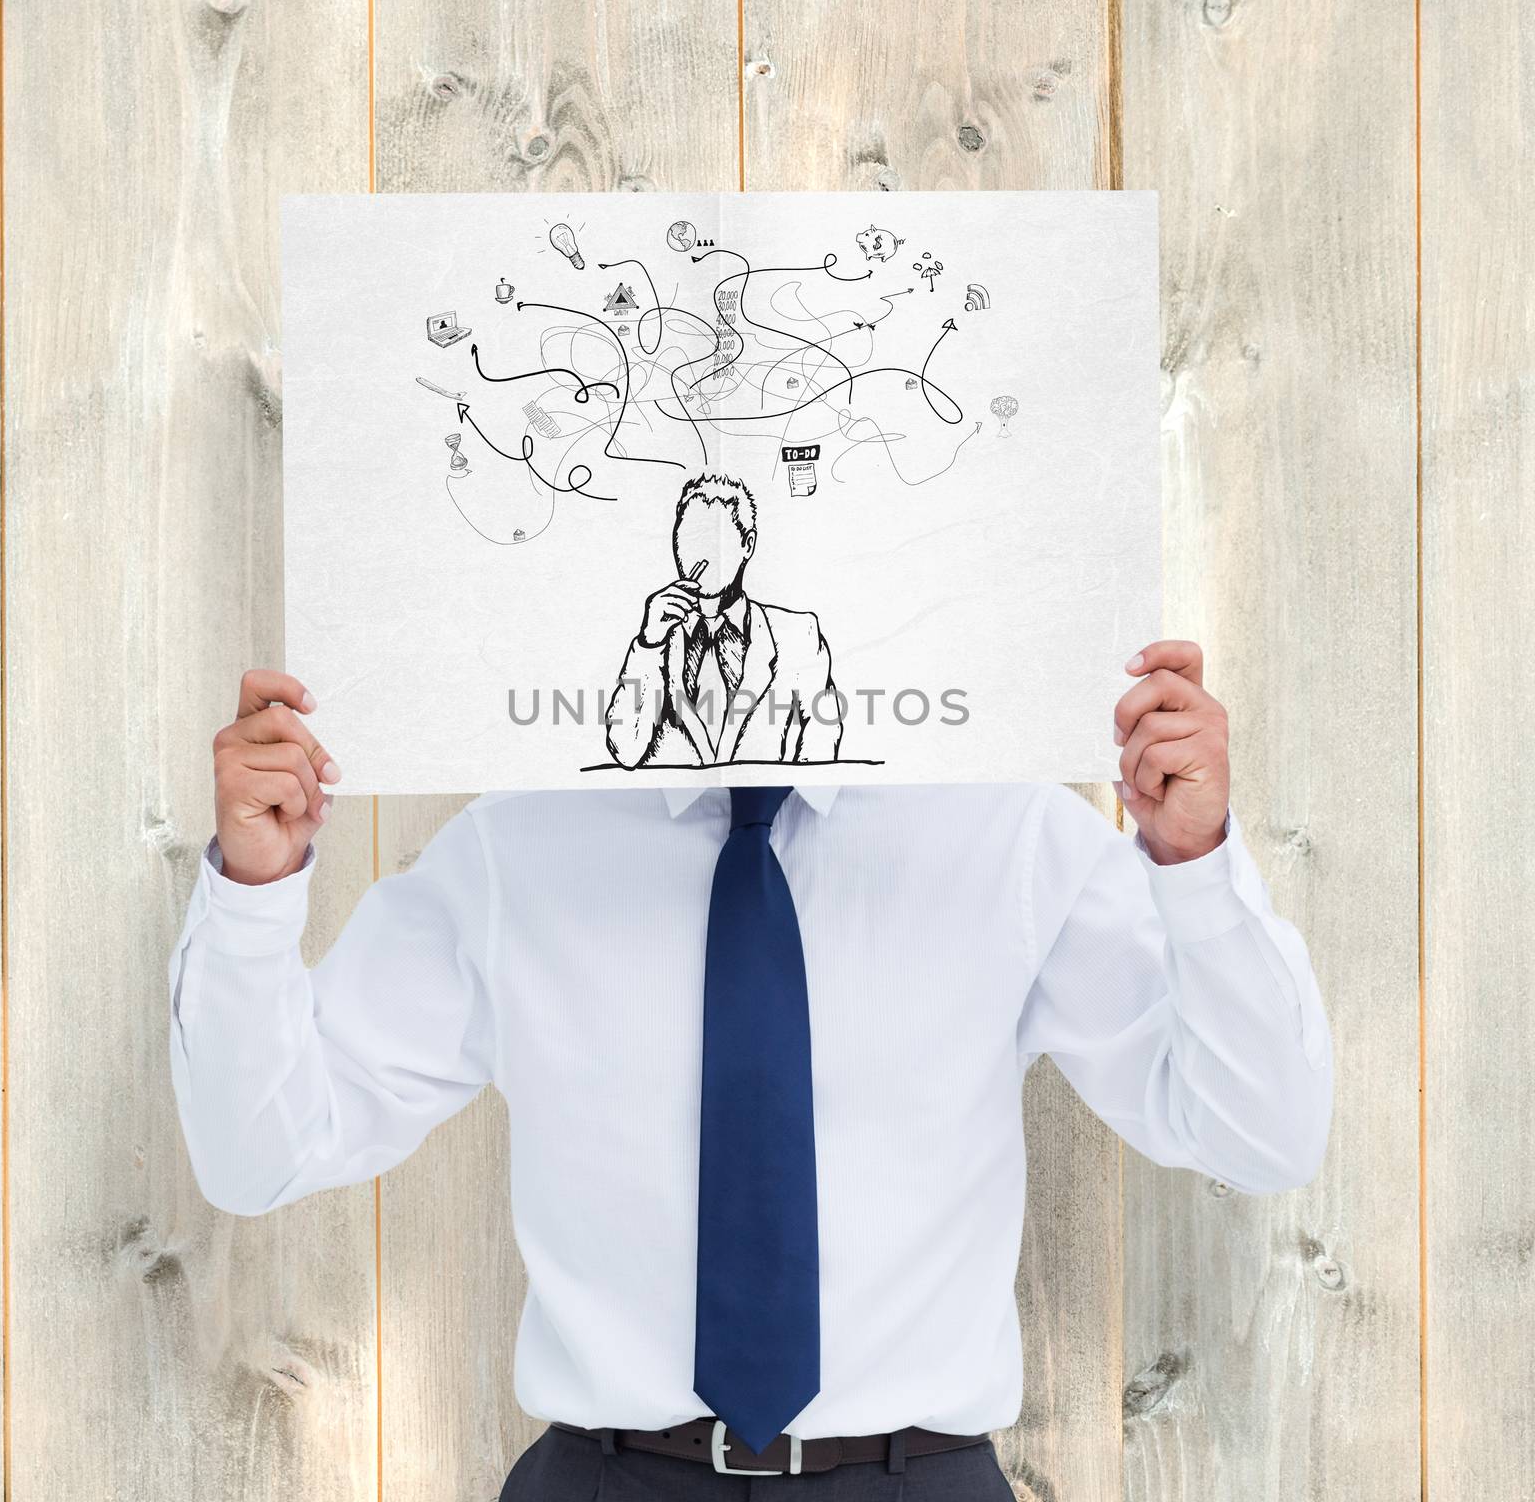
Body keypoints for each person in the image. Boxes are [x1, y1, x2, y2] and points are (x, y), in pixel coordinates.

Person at [167, 641, 1333, 1500]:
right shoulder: (516, 846)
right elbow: (261, 1151)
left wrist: (1193, 866)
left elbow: (1261, 1132)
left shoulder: (1013, 834)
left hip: (915, 1479)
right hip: (607, 1481)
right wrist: (253, 896)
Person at [604, 473, 843, 769]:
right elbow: (625, 750)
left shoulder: (798, 634)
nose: (697, 553)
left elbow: (822, 736)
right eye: (688, 537)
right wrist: (649, 643)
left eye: (711, 537)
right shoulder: (659, 636)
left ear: (747, 544)